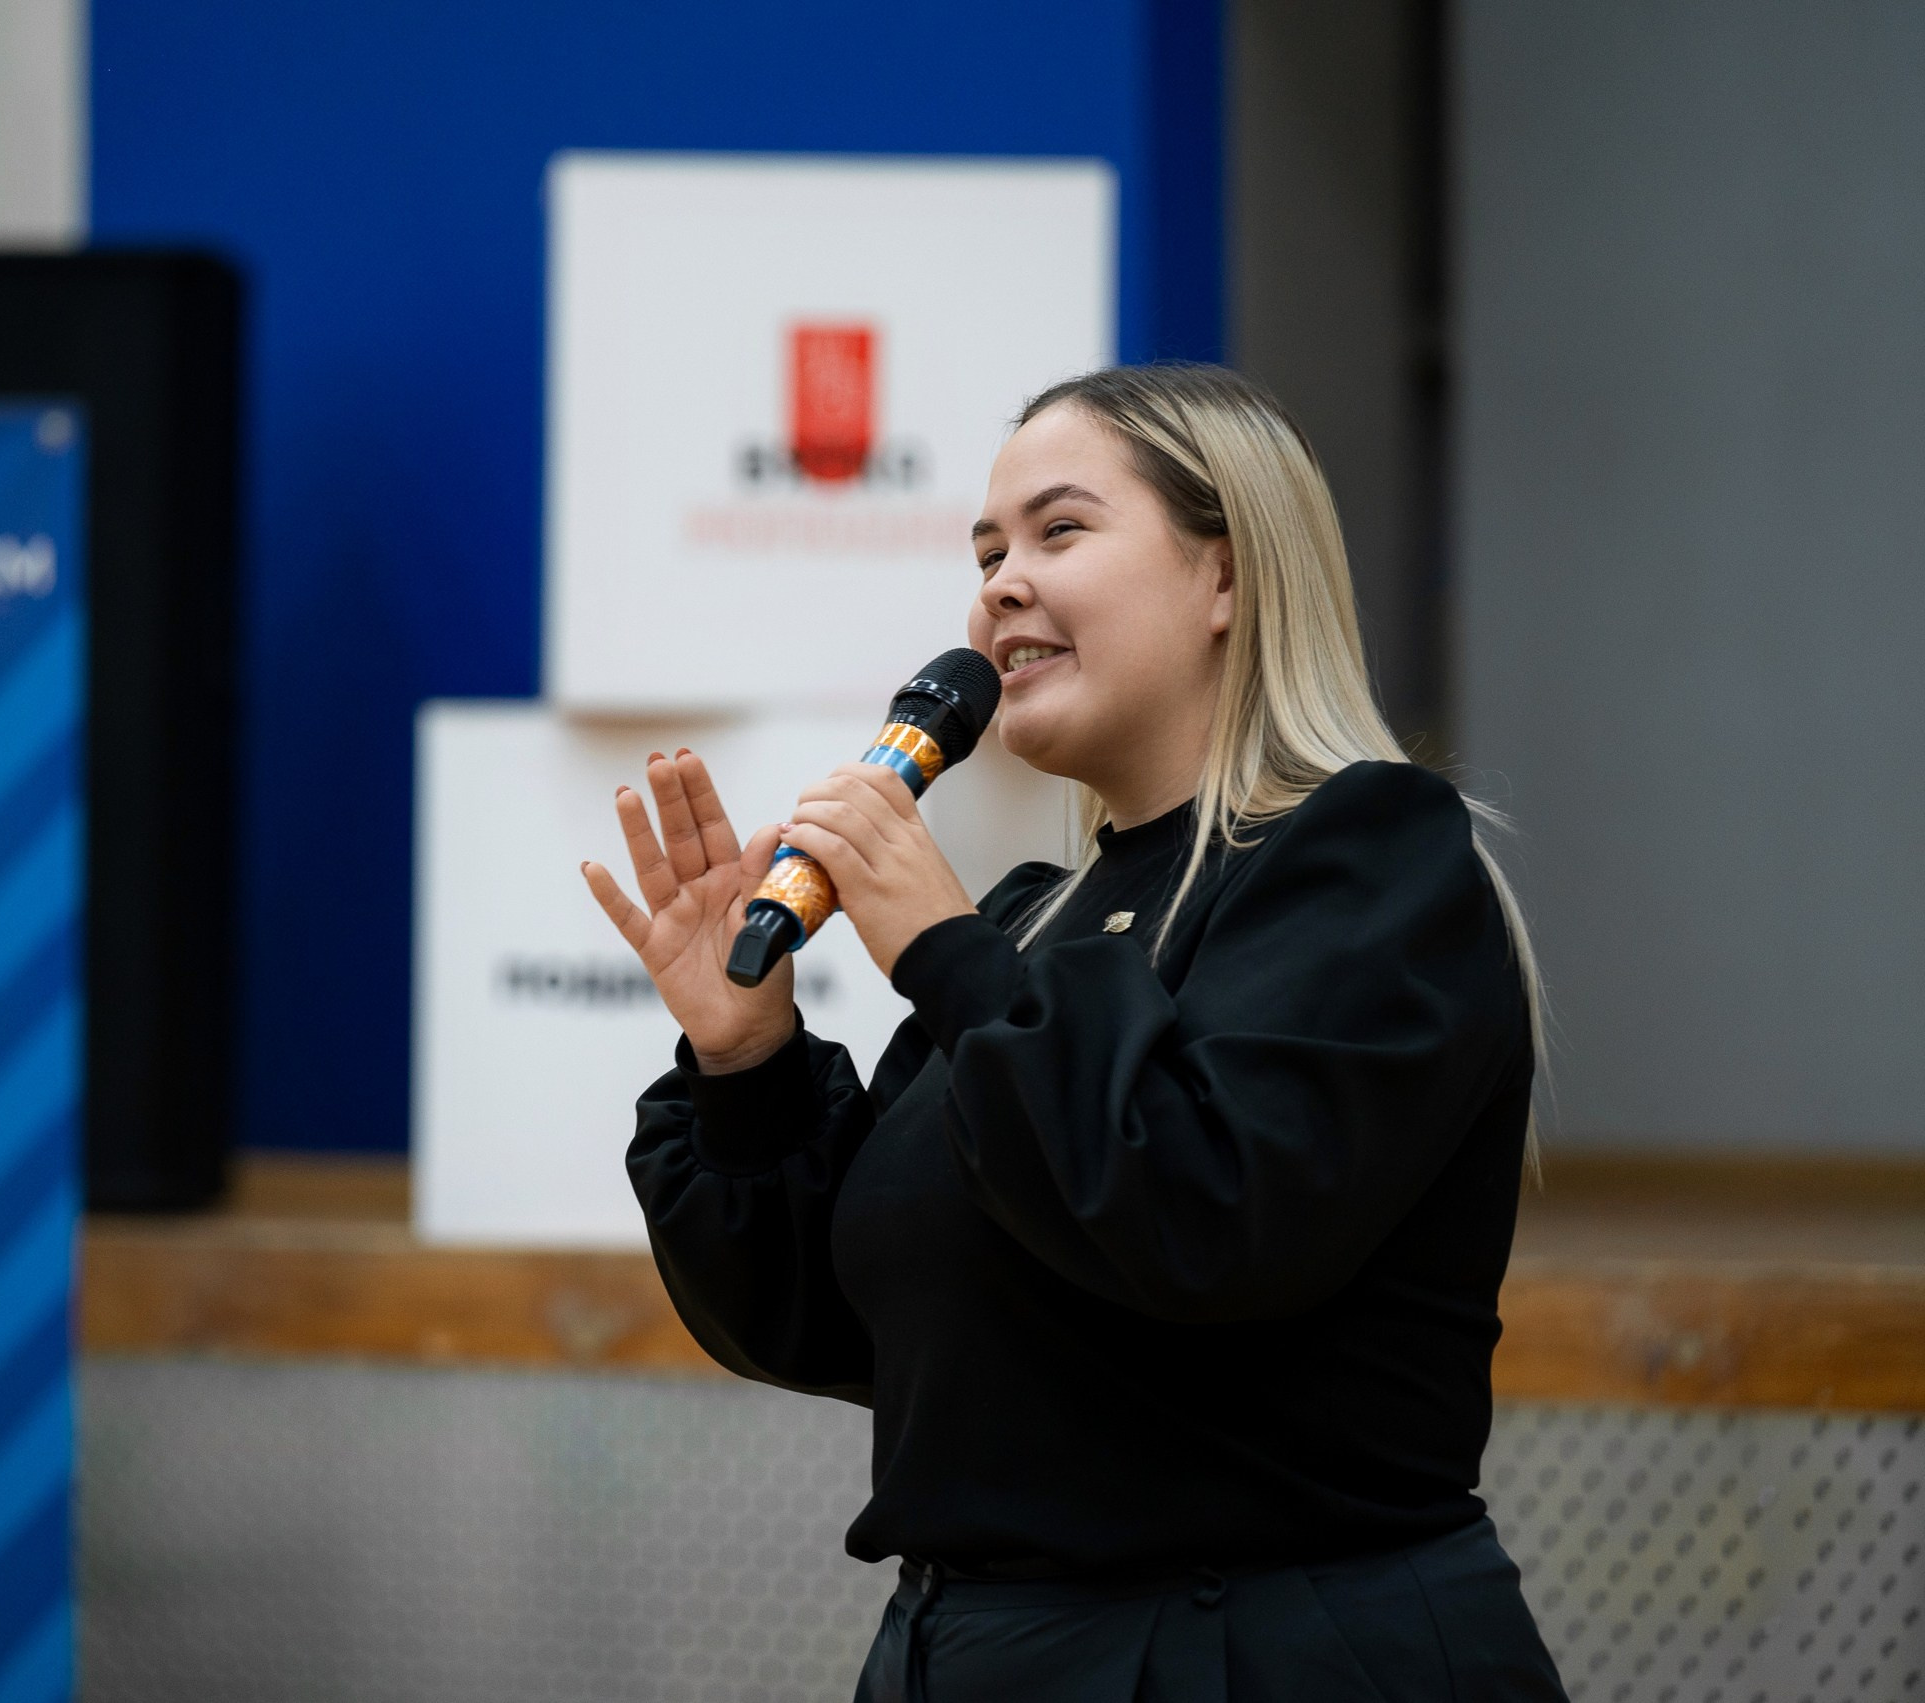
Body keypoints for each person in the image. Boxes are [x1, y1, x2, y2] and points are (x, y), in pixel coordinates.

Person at [579, 363, 1569, 1702]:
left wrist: (940, 948)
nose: (997, 585)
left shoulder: (1369, 857)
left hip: (1257, 1656)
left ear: (1228, 579)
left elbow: (1195, 1214)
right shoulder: (1031, 927)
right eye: (985, 551)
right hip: (970, 1654)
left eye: (1058, 532)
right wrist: (744, 1063)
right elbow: (838, 1325)